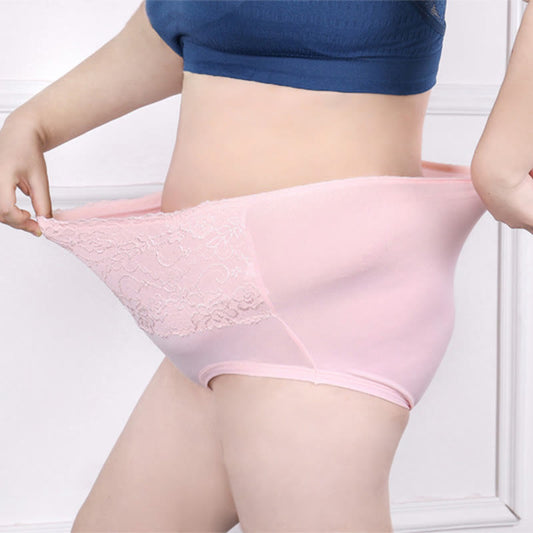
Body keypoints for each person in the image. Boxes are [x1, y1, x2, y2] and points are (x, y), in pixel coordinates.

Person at [1, 1, 532, 532]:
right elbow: (186, 24)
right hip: (212, 318)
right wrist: (35, 122)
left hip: (320, 321)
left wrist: (503, 162)